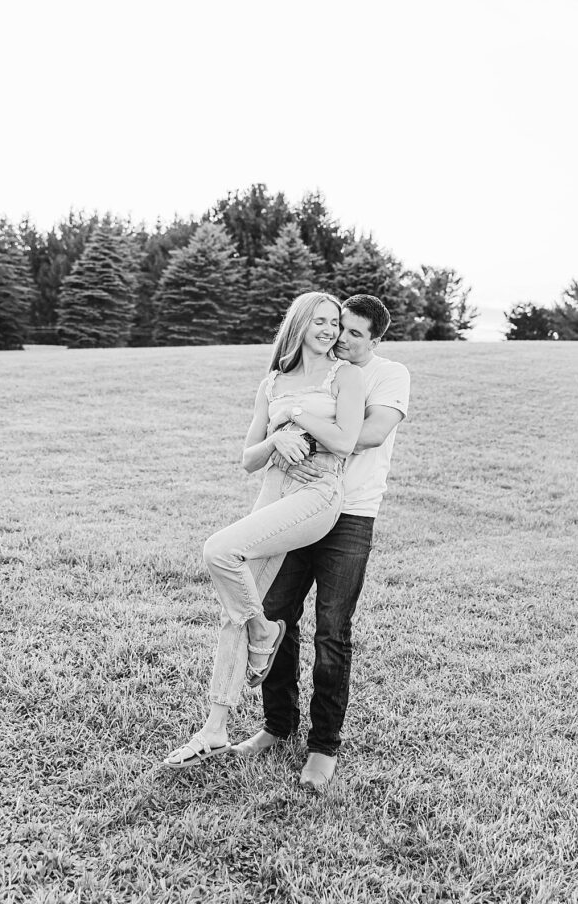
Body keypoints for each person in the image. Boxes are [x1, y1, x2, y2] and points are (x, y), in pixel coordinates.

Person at [163, 291, 365, 768]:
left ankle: (262, 632)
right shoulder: (272, 382)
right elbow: (248, 460)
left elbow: (345, 440)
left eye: (334, 323)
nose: (329, 330)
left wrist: (295, 415)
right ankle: (214, 726)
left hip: (316, 492)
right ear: (298, 325)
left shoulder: (346, 376)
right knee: (235, 605)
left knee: (220, 551)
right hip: (272, 488)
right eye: (319, 321)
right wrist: (275, 436)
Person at [231, 294, 411, 790]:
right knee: (276, 613)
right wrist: (283, 425)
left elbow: (368, 434)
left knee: (333, 629)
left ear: (375, 338)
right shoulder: (316, 374)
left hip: (351, 512)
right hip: (296, 505)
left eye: (354, 332)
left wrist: (301, 423)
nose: (341, 338)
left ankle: (323, 747)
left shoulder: (387, 375)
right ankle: (276, 724)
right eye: (337, 327)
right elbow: (262, 436)